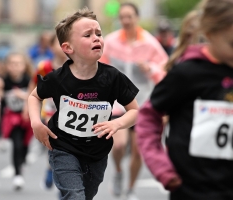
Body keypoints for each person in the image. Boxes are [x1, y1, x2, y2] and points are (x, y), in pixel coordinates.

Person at [28, 7, 139, 200]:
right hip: (63, 148)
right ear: (68, 48)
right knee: (74, 195)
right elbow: (34, 96)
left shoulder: (112, 77)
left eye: (99, 33)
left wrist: (117, 123)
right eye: (87, 35)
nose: (96, 38)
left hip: (97, 152)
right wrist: (36, 123)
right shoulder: (57, 78)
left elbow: (135, 111)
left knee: (86, 196)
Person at [136, 0, 233, 199]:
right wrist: (161, 166)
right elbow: (148, 117)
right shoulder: (188, 73)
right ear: (210, 33)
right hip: (192, 189)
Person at [100, 2, 168, 199]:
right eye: (123, 17)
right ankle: (119, 172)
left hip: (142, 103)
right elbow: (101, 67)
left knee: (138, 152)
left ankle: (130, 189)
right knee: (118, 145)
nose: (126, 21)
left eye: (130, 16)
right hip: (118, 103)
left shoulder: (149, 43)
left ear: (137, 18)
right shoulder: (111, 42)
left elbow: (164, 70)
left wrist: (150, 69)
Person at [24, 34, 68, 189]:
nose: (63, 47)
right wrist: (27, 108)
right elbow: (33, 87)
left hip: (70, 114)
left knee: (66, 147)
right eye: (59, 43)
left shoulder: (77, 66)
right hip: (49, 113)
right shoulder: (44, 67)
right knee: (54, 144)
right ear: (51, 47)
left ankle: (61, 177)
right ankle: (51, 168)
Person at [0, 52, 33, 190]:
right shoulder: (3, 81)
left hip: (27, 117)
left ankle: (22, 160)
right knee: (16, 144)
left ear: (24, 66)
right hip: (11, 119)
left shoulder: (28, 79)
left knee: (25, 144)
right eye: (11, 64)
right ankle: (18, 175)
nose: (15, 67)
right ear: (7, 66)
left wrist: (23, 96)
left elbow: (36, 96)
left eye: (18, 64)